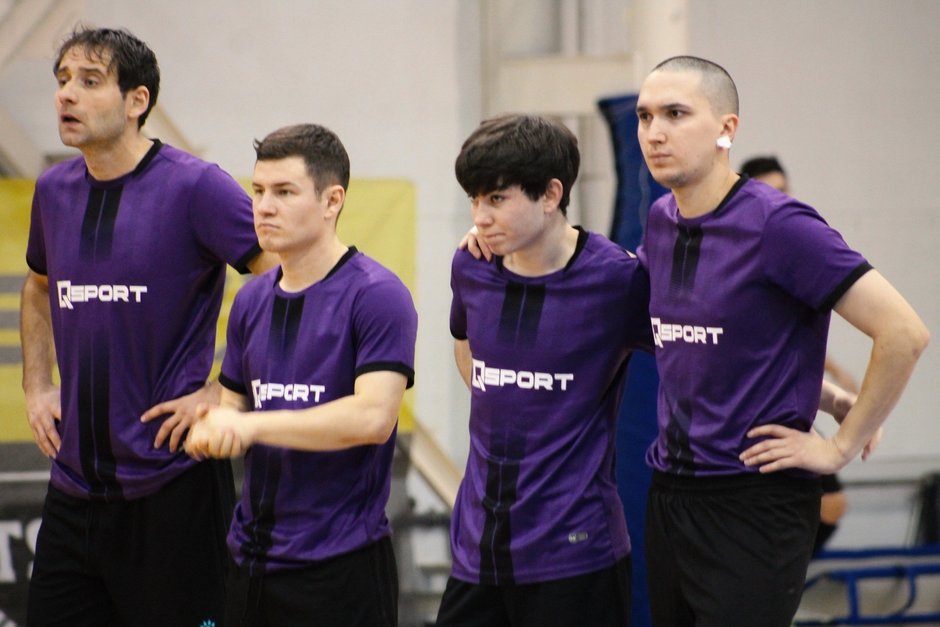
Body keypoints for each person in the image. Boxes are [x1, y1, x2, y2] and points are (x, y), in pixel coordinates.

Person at [634, 55, 929, 626]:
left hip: (755, 500)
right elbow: (713, 342)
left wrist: (840, 447)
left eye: (675, 114)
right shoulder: (661, 219)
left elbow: (904, 333)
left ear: (726, 128)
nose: (655, 132)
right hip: (671, 494)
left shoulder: (779, 225)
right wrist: (825, 393)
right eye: (645, 117)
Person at [20, 26, 276, 627]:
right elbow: (37, 286)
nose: (67, 95)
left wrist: (223, 392)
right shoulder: (53, 190)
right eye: (62, 80)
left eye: (89, 82)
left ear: (137, 101)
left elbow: (287, 281)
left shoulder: (196, 186)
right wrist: (37, 385)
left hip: (173, 487)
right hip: (73, 491)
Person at [183, 123, 418, 627]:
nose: (264, 207)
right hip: (250, 562)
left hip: (339, 567)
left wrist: (250, 426)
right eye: (258, 191)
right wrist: (213, 423)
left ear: (332, 201)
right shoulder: (251, 299)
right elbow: (234, 403)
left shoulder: (377, 295)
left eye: (284, 192)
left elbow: (373, 418)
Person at [435, 113, 655, 627]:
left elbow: (700, 352)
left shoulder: (619, 280)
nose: (480, 216)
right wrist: (511, 395)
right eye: (474, 199)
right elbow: (465, 343)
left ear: (551, 194)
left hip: (576, 554)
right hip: (478, 553)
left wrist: (821, 405)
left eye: (497, 198)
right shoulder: (471, 265)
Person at [741, 153, 854, 555]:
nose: (779, 198)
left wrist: (835, 383)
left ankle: (782, 578)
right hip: (752, 402)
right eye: (769, 190)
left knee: (830, 505)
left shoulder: (796, 243)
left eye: (784, 190)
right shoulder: (739, 256)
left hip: (790, 394)